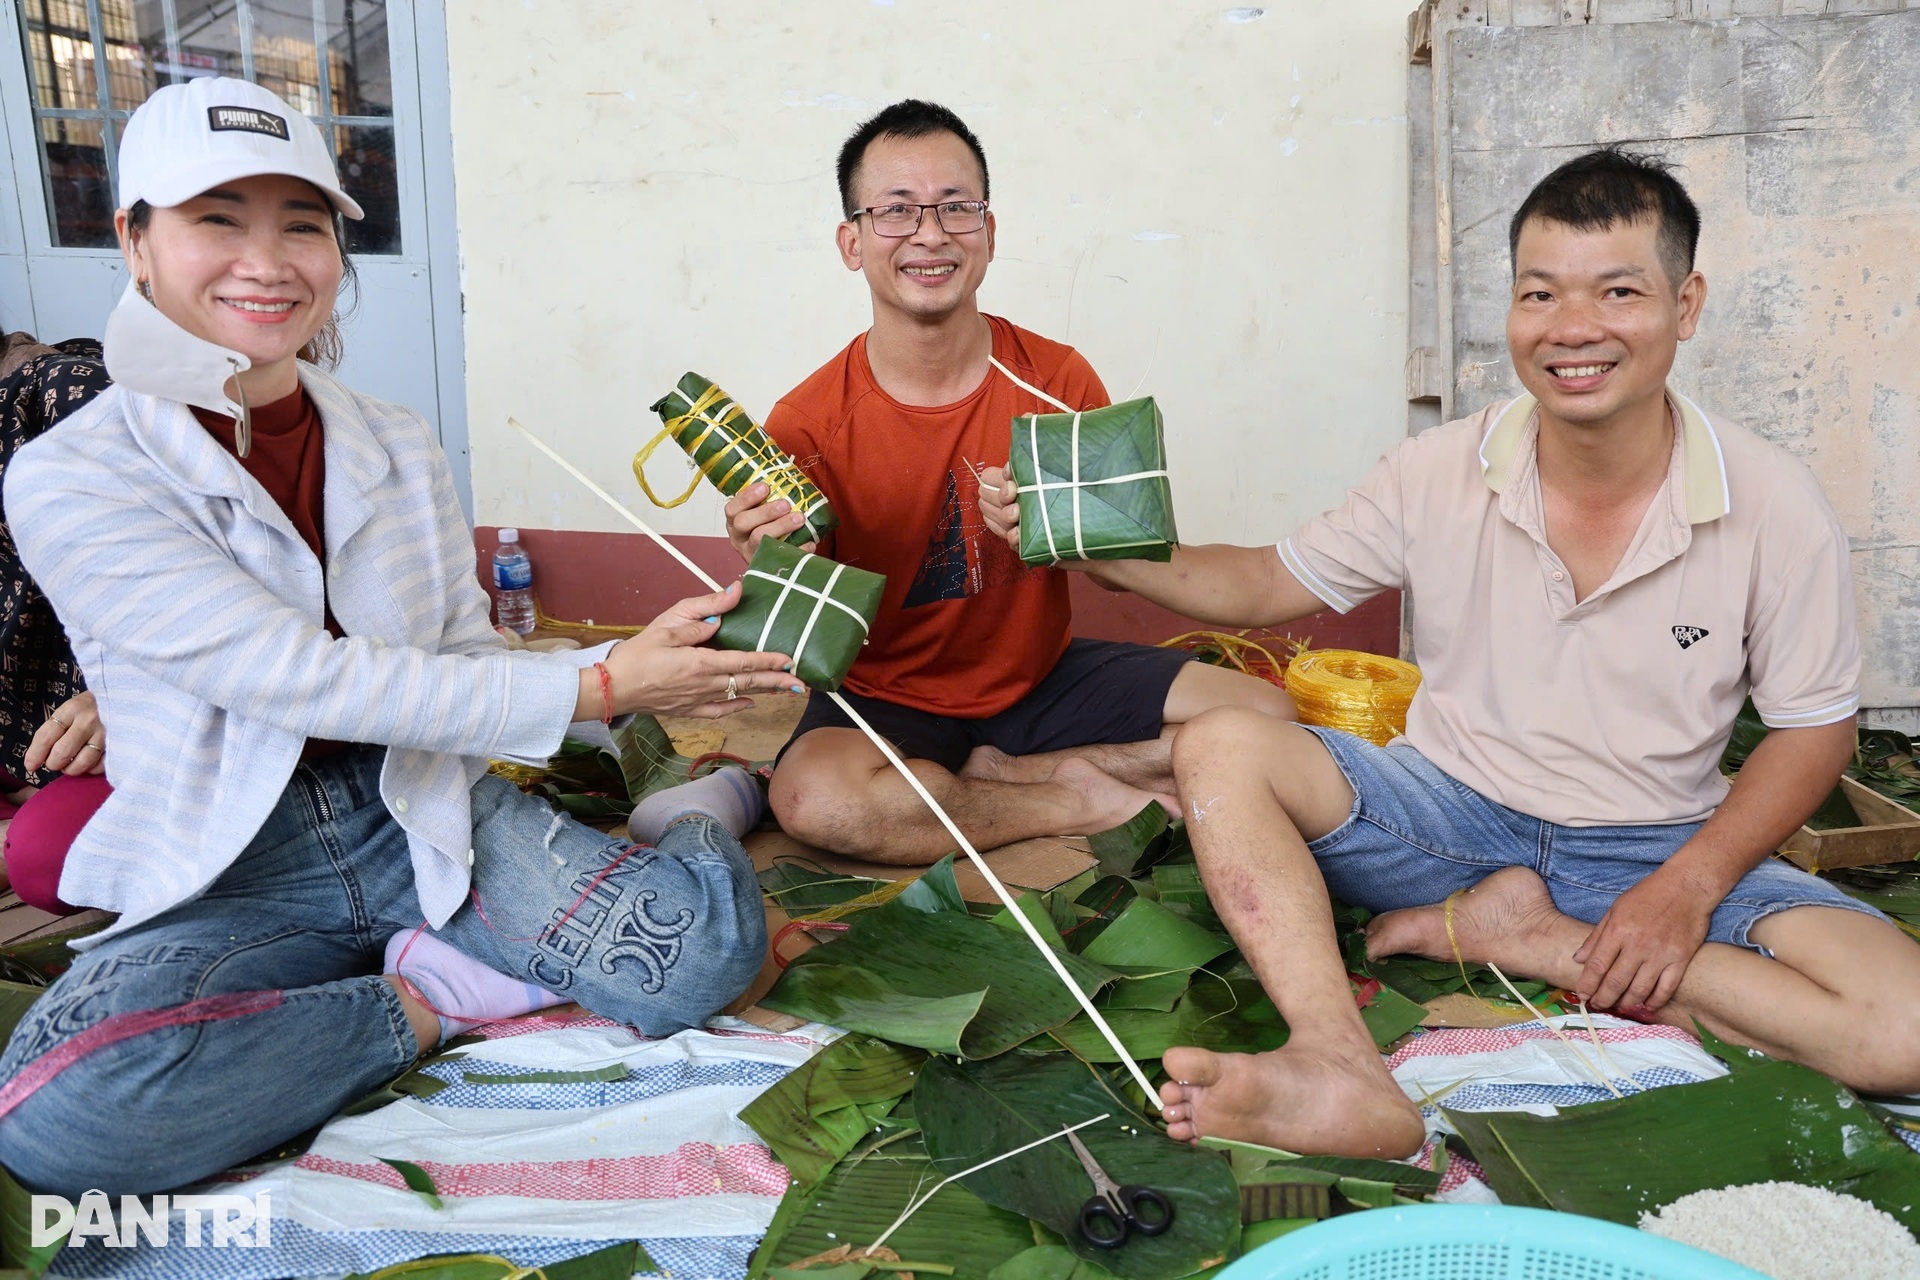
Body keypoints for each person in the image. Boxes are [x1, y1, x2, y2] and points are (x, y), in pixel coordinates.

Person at [982, 147, 1920, 1157]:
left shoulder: (1773, 503)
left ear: (1684, 305)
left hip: (1658, 845)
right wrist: (1085, 541)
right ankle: (1337, 1063)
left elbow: (1814, 730)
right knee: (1222, 746)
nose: (1573, 328)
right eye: (1539, 292)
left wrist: (1685, 888)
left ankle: (1529, 936)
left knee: (1902, 1028)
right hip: (1443, 821)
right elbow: (1261, 582)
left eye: (1618, 291)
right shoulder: (1437, 469)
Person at [0, 77, 799, 1195]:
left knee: (699, 959)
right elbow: (289, 677)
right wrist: (608, 683)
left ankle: (693, 810)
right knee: (54, 1122)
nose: (267, 262)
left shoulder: (393, 440)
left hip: (416, 803)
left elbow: (463, 662)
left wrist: (637, 671)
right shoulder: (71, 473)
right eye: (217, 219)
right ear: (134, 241)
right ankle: (426, 995)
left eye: (303, 224)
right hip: (239, 854)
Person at [727, 100, 1293, 864]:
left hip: (1040, 676)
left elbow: (1125, 576)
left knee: (1270, 716)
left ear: (989, 232)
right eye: (896, 212)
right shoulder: (807, 422)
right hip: (888, 696)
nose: (930, 234)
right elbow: (807, 623)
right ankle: (1067, 795)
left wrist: (1062, 536)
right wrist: (767, 556)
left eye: (956, 208)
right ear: (851, 242)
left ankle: (1004, 778)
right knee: (814, 799)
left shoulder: (1057, 379)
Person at [0, 340, 115, 912]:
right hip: (17, 728)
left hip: (112, 723)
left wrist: (120, 690)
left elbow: (241, 567)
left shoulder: (69, 394)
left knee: (46, 859)